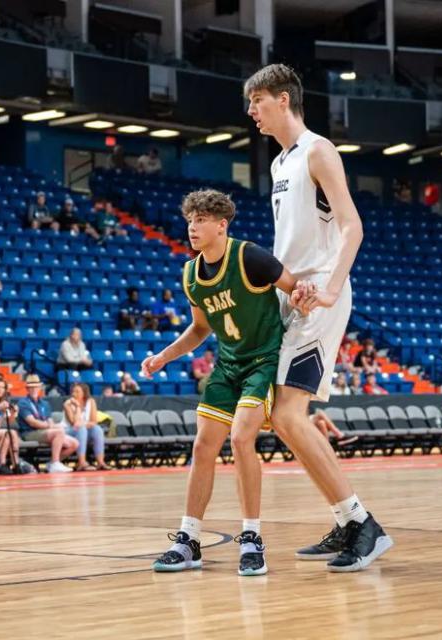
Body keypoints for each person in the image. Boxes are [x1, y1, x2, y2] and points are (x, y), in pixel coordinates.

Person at [246, 63, 392, 571]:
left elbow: (352, 226)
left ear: (283, 99)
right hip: (293, 294)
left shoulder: (318, 150)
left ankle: (364, 525)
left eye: (257, 101)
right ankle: (349, 521)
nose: (251, 111)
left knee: (287, 416)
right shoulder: (279, 163)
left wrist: (329, 289)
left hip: (318, 295)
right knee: (284, 420)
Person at [142, 189, 302, 577]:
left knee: (242, 438)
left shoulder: (250, 257)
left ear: (221, 225)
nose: (192, 227)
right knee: (202, 445)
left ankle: (251, 538)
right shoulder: (190, 274)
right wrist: (165, 356)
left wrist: (305, 300)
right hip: (227, 366)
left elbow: (295, 289)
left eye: (200, 220)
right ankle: (188, 540)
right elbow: (200, 329)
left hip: (262, 361)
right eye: (190, 220)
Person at [17, 374, 77, 473]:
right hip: (30, 433)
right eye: (31, 388)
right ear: (27, 389)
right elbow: (32, 422)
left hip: (44, 431)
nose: (34, 390)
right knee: (58, 432)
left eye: (36, 387)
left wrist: (53, 426)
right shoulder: (23, 403)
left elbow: (49, 420)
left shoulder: (44, 403)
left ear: (39, 388)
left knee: (74, 444)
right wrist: (50, 426)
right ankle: (55, 463)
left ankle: (51, 463)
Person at [62, 383, 111, 471]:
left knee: (97, 429)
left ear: (84, 393)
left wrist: (83, 424)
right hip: (68, 431)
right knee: (81, 429)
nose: (74, 394)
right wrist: (77, 407)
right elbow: (74, 423)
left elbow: (93, 421)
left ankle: (100, 462)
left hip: (83, 429)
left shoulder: (91, 401)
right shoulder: (67, 404)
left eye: (77, 391)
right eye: (73, 391)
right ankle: (82, 463)